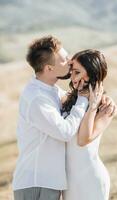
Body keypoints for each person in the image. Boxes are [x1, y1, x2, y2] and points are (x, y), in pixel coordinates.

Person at [12, 36, 90, 200]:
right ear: (49, 69)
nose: (70, 61)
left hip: (48, 181)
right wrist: (83, 99)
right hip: (36, 183)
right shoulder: (37, 98)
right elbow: (65, 132)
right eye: (63, 60)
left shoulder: (51, 91)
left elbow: (72, 105)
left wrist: (102, 101)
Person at [62, 49, 117, 200]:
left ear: (91, 73)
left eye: (77, 72)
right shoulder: (66, 99)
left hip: (91, 180)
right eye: (71, 72)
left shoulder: (105, 107)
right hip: (69, 183)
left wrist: (92, 106)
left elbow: (83, 140)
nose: (72, 78)